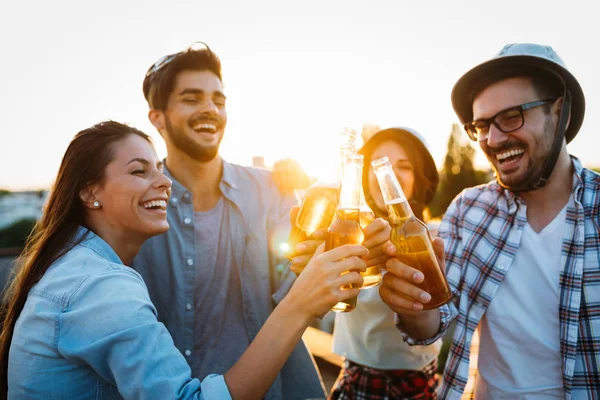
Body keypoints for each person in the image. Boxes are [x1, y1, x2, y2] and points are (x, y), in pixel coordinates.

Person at [0, 121, 370, 399]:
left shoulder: (75, 266)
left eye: (158, 169)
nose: (164, 182)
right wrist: (300, 304)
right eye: (138, 171)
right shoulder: (100, 286)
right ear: (90, 193)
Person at [134, 42, 392, 399]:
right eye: (192, 99)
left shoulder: (272, 189)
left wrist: (340, 260)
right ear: (157, 117)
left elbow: (299, 283)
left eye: (218, 100)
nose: (210, 109)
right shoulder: (137, 205)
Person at [379, 43, 600, 399]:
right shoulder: (469, 209)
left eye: (511, 117)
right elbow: (433, 325)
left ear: (560, 113)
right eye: (481, 125)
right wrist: (414, 304)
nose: (493, 139)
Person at [328, 127, 442, 399]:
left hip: (417, 382)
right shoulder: (346, 233)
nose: (388, 176)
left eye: (403, 166)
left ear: (420, 177)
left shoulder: (435, 236)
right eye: (378, 166)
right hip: (356, 379)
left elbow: (435, 323)